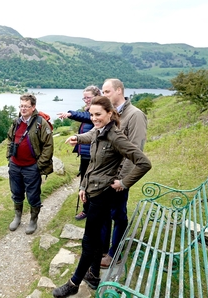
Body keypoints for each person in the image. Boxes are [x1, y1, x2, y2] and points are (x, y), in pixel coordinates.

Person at [52, 96, 151, 297]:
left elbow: (143, 163)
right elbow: (91, 144)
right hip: (93, 190)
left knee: (89, 240)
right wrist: (77, 139)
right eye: (91, 114)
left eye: (98, 114)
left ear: (109, 113)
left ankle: (74, 283)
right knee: (98, 238)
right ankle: (94, 274)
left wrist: (124, 183)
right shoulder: (100, 131)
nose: (94, 118)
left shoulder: (116, 137)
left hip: (102, 195)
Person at [65, 78, 148, 269]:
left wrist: (123, 181)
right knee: (104, 218)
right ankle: (101, 251)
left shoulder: (135, 115)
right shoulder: (106, 114)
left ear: (119, 91)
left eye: (107, 91)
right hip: (103, 181)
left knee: (118, 215)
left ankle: (114, 253)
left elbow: (136, 150)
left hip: (117, 180)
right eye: (102, 91)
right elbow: (95, 133)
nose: (103, 95)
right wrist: (78, 138)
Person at [6, 93, 54, 235]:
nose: (23, 109)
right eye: (21, 106)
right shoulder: (16, 122)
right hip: (15, 165)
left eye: (26, 106)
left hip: (31, 167)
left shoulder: (41, 123)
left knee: (33, 195)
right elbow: (10, 139)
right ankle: (17, 216)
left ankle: (33, 220)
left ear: (33, 107)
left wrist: (38, 165)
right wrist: (9, 157)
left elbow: (48, 146)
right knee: (16, 192)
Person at [57, 85, 101, 221]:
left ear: (96, 96)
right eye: (84, 98)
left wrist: (70, 114)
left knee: (89, 182)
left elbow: (86, 117)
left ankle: (88, 210)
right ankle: (87, 209)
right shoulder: (89, 110)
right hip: (86, 153)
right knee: (84, 181)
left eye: (88, 97)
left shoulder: (96, 111)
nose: (86, 100)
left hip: (93, 153)